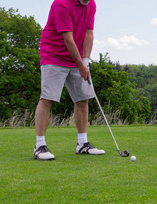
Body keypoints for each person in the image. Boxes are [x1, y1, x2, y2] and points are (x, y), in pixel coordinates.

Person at [33, 0, 104, 160]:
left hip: (76, 56)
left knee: (82, 98)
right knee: (47, 98)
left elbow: (88, 32)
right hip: (53, 54)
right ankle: (39, 146)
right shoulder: (62, 4)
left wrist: (85, 60)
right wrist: (80, 65)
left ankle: (82, 144)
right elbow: (68, 39)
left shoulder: (91, 4)